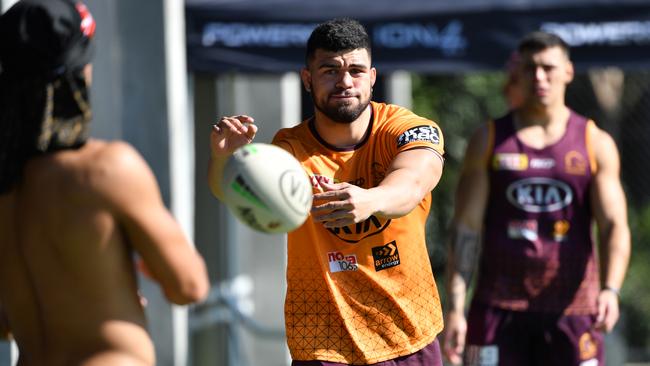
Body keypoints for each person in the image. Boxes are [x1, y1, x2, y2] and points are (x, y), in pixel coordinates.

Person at [208, 18, 446, 366]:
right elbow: (227, 193)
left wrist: (369, 200)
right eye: (330, 70)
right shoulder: (289, 149)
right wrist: (226, 159)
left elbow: (413, 183)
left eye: (356, 70)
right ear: (308, 79)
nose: (345, 82)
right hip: (322, 345)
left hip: (409, 339)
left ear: (373, 78)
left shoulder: (407, 129)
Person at [0, 1, 210, 365]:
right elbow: (188, 286)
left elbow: (5, 322)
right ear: (81, 71)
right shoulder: (106, 168)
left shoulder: (7, 183)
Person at [442, 31, 631, 366]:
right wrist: (456, 308)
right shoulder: (489, 140)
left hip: (574, 310)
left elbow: (614, 224)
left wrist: (610, 289)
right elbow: (465, 228)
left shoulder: (593, 142)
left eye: (548, 67)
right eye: (529, 68)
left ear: (569, 72)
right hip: (498, 308)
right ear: (518, 73)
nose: (539, 77)